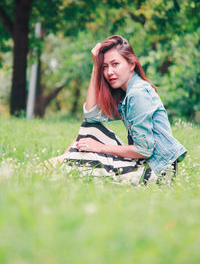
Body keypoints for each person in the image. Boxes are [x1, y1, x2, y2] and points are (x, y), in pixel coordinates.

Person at [46, 35, 187, 185]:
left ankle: (53, 165)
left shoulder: (137, 94)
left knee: (84, 165)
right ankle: (58, 162)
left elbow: (144, 151)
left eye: (115, 64)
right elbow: (91, 116)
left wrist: (101, 148)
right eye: (105, 67)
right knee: (91, 131)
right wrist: (95, 68)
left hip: (157, 172)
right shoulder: (126, 94)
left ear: (132, 64)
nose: (109, 72)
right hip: (146, 165)